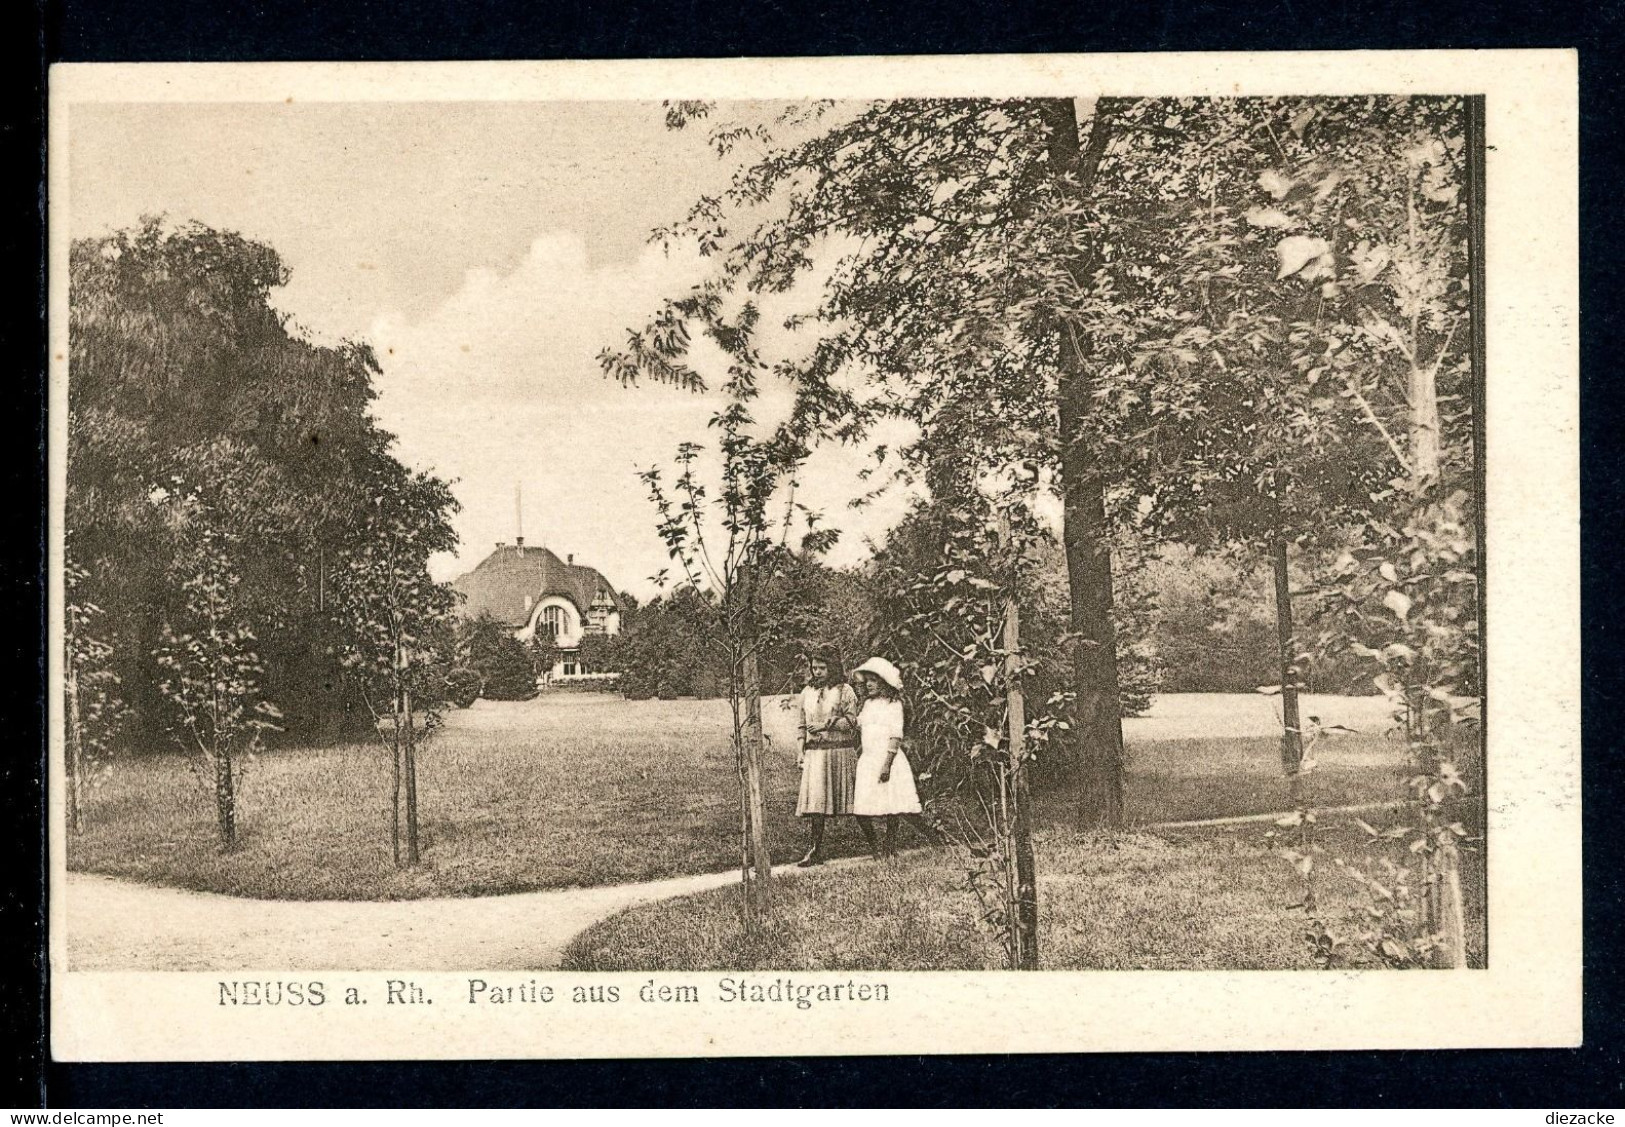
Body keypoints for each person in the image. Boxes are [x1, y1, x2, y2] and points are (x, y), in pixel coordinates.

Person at [850, 656, 939, 858]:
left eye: (874, 680)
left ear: (885, 682)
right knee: (861, 808)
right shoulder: (868, 705)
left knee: (894, 805)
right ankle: (875, 847)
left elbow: (895, 735)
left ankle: (891, 846)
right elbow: (859, 727)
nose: (869, 684)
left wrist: (887, 764)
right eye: (868, 680)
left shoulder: (893, 704)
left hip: (888, 759)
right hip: (868, 759)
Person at [794, 647, 861, 866]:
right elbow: (802, 725)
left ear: (833, 667)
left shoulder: (845, 691)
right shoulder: (807, 692)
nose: (818, 672)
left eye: (822, 668)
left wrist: (824, 725)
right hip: (816, 755)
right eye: (814, 668)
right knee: (816, 803)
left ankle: (874, 843)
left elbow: (852, 722)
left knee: (855, 802)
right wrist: (800, 750)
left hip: (840, 752)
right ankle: (815, 850)